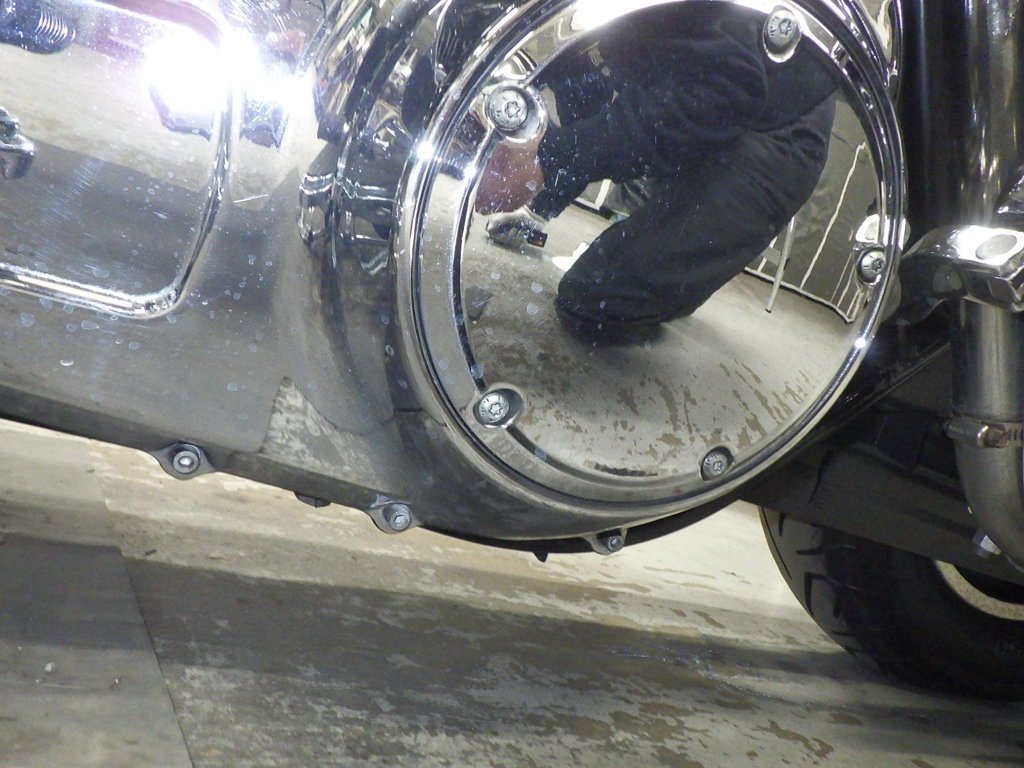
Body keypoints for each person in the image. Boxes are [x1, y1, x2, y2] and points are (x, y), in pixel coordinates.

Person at [475, 4, 837, 341]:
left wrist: (548, 158)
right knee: (597, 78)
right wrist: (538, 200)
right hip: (706, 81)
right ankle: (668, 253)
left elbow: (722, 94)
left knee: (594, 301)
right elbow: (580, 76)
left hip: (776, 125)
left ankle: (676, 274)